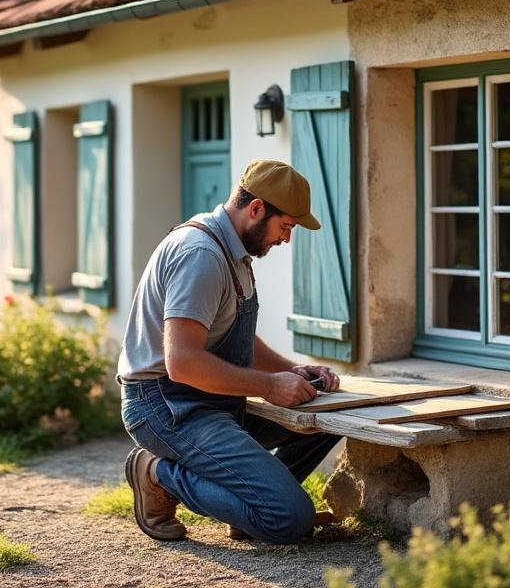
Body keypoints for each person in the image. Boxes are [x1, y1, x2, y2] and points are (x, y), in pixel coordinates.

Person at [117, 159, 344, 544]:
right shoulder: (201, 255)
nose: (287, 239)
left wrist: (293, 371)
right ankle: (156, 473)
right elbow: (183, 362)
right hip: (166, 406)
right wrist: (270, 387)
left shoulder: (231, 250)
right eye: (285, 227)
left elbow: (233, 337)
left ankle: (248, 511)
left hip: (211, 398)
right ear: (256, 209)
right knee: (290, 520)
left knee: (324, 415)